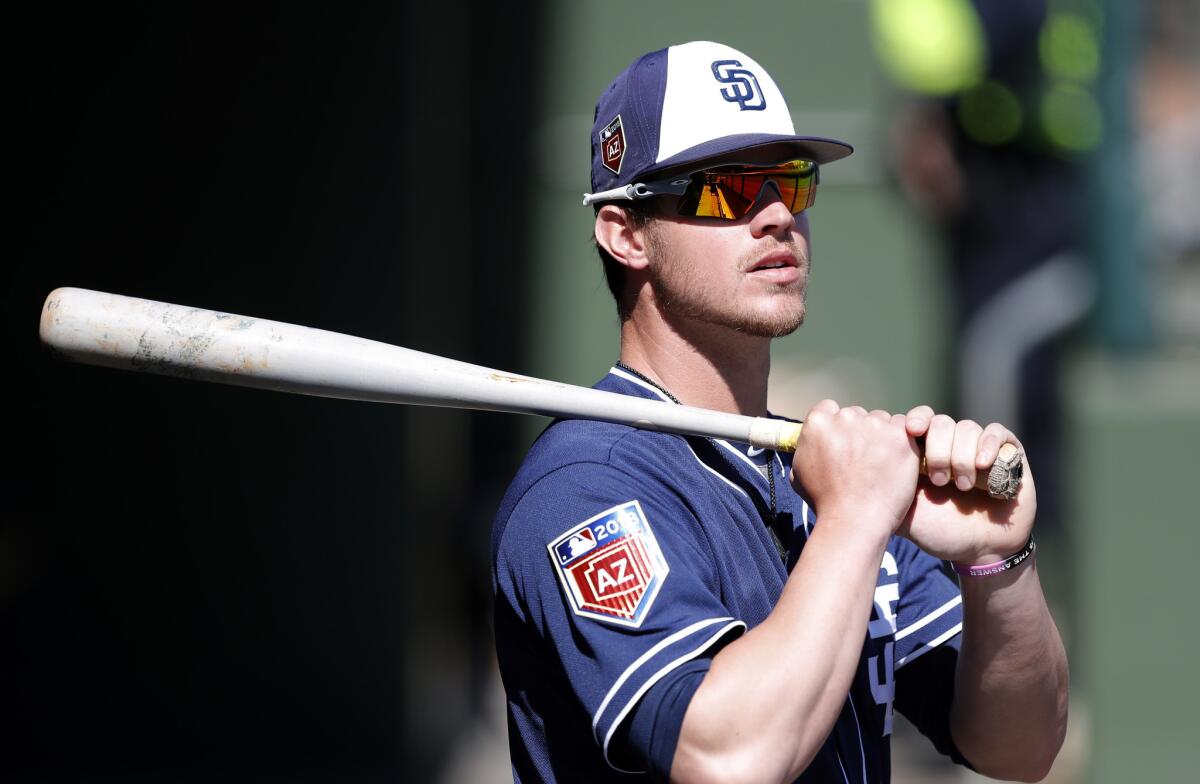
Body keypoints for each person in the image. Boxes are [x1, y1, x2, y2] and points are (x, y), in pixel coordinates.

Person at [491, 41, 1068, 783]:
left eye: (791, 182)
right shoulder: (585, 486)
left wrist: (998, 563)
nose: (774, 216)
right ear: (626, 234)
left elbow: (1020, 748)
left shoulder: (828, 477)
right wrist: (856, 521)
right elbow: (727, 759)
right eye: (725, 189)